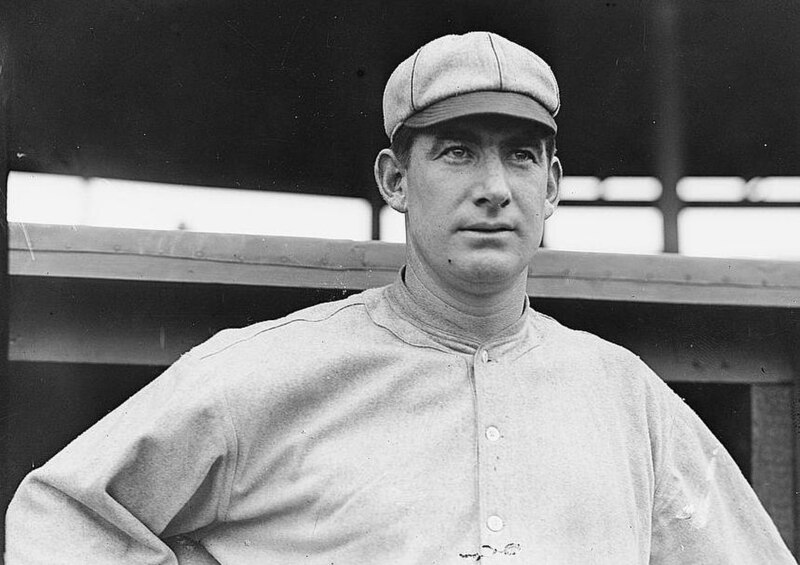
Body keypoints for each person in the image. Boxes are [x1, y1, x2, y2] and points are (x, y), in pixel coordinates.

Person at [5, 31, 796, 564]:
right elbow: (57, 514)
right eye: (457, 152)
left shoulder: (628, 400)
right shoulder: (263, 373)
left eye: (521, 156)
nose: (493, 189)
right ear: (395, 180)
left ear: (551, 187)